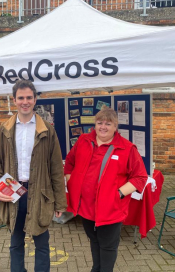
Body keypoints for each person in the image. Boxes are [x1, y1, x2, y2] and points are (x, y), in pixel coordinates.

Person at [0, 80, 67, 272]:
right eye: (21, 98)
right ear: (14, 100)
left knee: (42, 243)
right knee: (16, 243)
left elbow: (56, 168)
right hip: (13, 191)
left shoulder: (47, 131)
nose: (25, 102)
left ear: (35, 100)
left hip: (40, 192)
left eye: (29, 98)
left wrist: (60, 202)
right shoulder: (4, 129)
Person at [64, 107, 147, 272]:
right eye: (100, 122)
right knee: (94, 241)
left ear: (115, 126)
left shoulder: (127, 148)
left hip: (110, 209)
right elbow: (69, 162)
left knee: (108, 246)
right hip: (86, 207)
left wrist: (118, 194)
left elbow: (140, 178)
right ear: (94, 124)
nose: (103, 127)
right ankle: (96, 268)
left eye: (108, 123)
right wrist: (72, 182)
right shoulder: (83, 141)